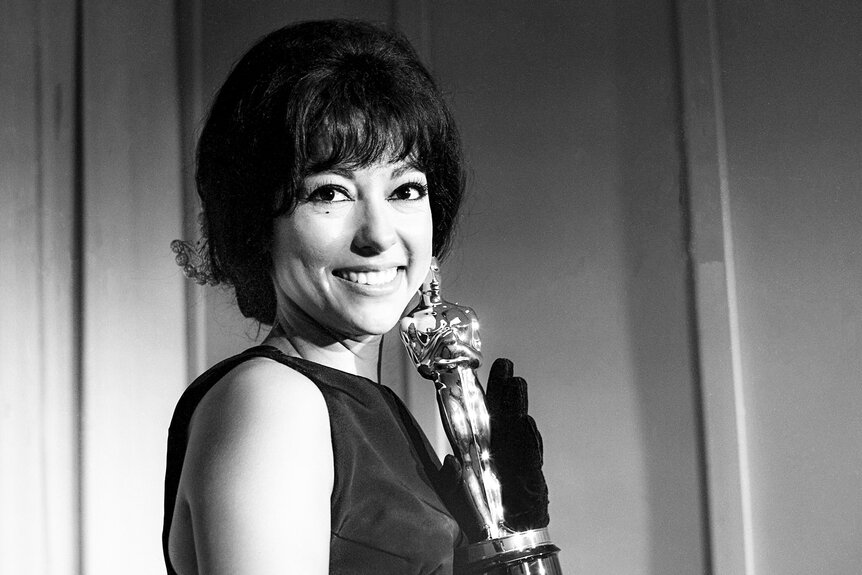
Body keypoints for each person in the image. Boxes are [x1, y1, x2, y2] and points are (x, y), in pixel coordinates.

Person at [163, 19, 547, 575]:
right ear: (255, 224)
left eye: (406, 190)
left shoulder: (376, 411)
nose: (379, 235)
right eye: (330, 192)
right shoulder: (274, 402)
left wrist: (515, 538)